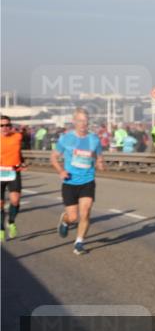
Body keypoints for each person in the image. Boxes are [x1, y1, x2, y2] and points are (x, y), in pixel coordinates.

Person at [50, 109, 105, 255]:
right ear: (74, 122)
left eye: (85, 121)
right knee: (73, 217)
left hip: (87, 180)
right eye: (80, 121)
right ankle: (65, 221)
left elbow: (98, 155)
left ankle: (79, 242)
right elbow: (54, 157)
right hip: (70, 182)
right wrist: (61, 171)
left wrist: (99, 162)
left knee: (85, 213)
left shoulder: (94, 139)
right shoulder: (66, 138)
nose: (83, 124)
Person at [1, 116, 26, 241]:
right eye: (2, 126)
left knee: (15, 201)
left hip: (13, 172)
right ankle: (1, 229)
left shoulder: (17, 136)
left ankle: (11, 222)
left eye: (7, 125)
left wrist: (22, 161)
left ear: (10, 126)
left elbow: (18, 150)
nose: (5, 128)